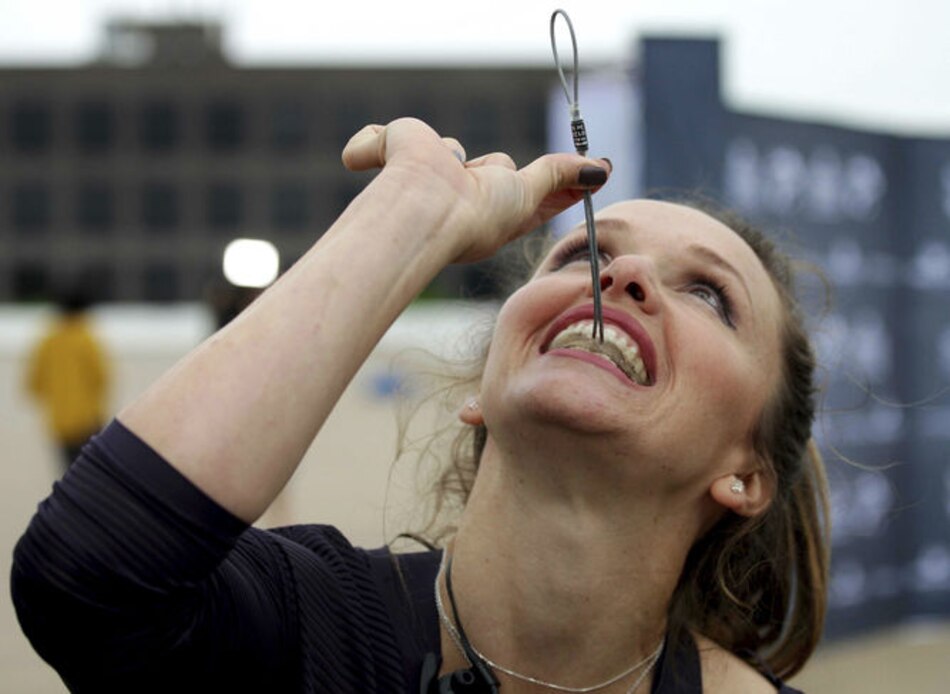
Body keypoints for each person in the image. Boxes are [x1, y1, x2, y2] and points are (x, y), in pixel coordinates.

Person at [12, 118, 828, 693]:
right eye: (584, 253)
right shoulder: (305, 631)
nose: (620, 279)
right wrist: (411, 210)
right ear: (481, 388)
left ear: (748, 471)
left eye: (710, 296)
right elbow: (87, 583)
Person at [24, 287, 110, 474]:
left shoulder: (48, 341)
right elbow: (101, 377)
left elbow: (34, 382)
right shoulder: (86, 338)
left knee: (68, 472)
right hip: (88, 418)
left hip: (59, 420)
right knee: (92, 472)